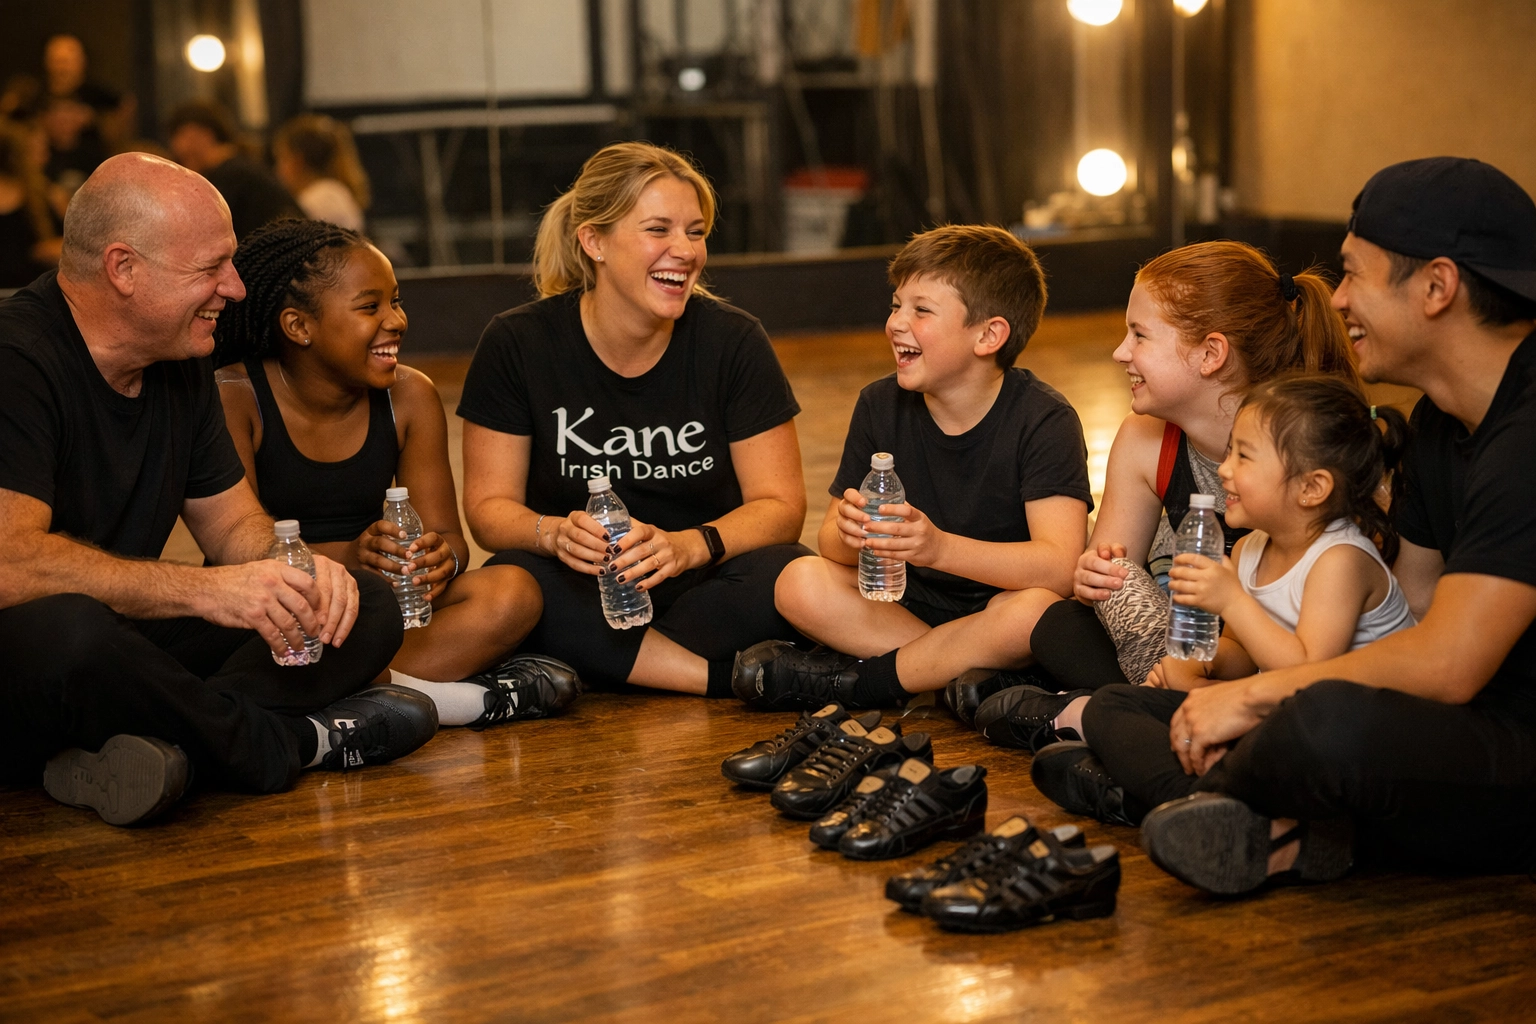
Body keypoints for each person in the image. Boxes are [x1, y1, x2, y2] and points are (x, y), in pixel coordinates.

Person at [1075, 157, 1536, 896]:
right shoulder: (1438, 427)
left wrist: (1257, 696)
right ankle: (1266, 820)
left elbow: (1448, 666)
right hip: (1441, 724)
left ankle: (1253, 816)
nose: (1338, 297)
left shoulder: (1526, 436)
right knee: (1127, 705)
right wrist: (1226, 683)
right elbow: (1413, 612)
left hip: (1512, 749)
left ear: (1438, 287)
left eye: (1354, 274)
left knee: (1322, 723)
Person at [0, 153, 435, 828]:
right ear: (124, 269)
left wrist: (298, 573)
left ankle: (165, 752)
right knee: (74, 629)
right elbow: (10, 563)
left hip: (124, 647)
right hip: (31, 654)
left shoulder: (180, 361)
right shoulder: (16, 358)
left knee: (362, 602)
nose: (234, 288)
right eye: (211, 268)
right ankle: (285, 745)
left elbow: (234, 529)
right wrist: (207, 590)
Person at [969, 241, 1360, 742]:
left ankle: (1113, 715)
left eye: (1139, 335)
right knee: (1055, 622)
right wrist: (1094, 574)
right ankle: (1137, 712)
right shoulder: (1145, 436)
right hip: (1175, 646)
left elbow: (1315, 637)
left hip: (1271, 658)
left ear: (1211, 354)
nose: (1120, 352)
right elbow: (1107, 574)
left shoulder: (1310, 448)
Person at [458, 141, 810, 696]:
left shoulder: (734, 340)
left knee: (791, 570)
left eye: (695, 233)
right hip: (583, 591)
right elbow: (487, 509)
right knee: (518, 581)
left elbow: (782, 508)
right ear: (593, 240)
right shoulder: (517, 342)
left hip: (704, 587)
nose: (685, 251)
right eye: (658, 230)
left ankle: (622, 665)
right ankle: (724, 680)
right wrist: (553, 536)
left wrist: (688, 546)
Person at [215, 217, 579, 728]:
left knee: (514, 591)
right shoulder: (237, 399)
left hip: (379, 604)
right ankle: (449, 701)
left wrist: (437, 560)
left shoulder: (409, 395)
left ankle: (344, 699)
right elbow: (231, 553)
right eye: (370, 307)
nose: (396, 320)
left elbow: (451, 538)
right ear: (299, 326)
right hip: (283, 613)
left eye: (396, 301)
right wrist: (353, 557)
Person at [733, 225, 1091, 710]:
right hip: (906, 607)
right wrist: (851, 533)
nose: (897, 322)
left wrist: (938, 548)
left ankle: (870, 682)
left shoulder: (1044, 419)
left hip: (997, 607)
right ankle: (958, 679)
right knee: (800, 581)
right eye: (896, 305)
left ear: (989, 335)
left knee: (1034, 612)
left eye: (921, 310)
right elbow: (830, 546)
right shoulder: (880, 404)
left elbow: (1060, 567)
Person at [1031, 374, 1415, 825]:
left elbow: (1311, 679)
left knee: (1217, 733)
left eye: (1244, 456)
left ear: (1312, 488)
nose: (1226, 469)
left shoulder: (1340, 560)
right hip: (1274, 713)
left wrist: (1232, 602)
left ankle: (1159, 796)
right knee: (1111, 705)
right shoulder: (1252, 547)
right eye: (1230, 450)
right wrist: (1197, 667)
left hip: (1342, 739)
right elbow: (1241, 654)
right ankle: (1200, 800)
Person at [167, 100, 302, 241]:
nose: (176, 148)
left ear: (201, 134)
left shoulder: (230, 177)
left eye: (178, 136)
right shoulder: (243, 167)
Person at [273, 114, 369, 232]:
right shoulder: (332, 193)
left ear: (297, 160)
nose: (277, 169)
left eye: (282, 158)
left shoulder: (320, 200)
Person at [0, 118, 60, 287]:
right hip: (29, 293)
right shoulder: (41, 195)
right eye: (40, 150)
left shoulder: (41, 194)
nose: (47, 157)